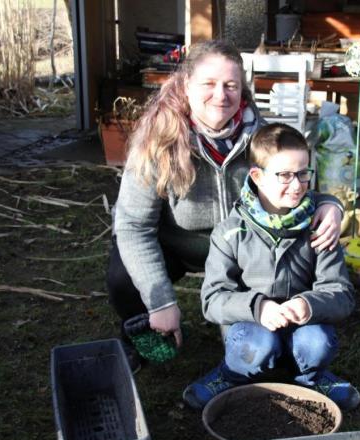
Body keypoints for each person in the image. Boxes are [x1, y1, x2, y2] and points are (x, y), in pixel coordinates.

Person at [107, 40, 344, 372]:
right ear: (186, 85)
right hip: (177, 248)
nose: (221, 95)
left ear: (243, 91)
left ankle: (262, 332)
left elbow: (296, 183)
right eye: (209, 84)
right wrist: (160, 300)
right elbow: (133, 226)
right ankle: (146, 334)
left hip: (244, 253)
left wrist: (330, 204)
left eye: (231, 85)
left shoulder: (263, 138)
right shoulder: (156, 143)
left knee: (250, 355)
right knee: (123, 275)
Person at [182, 123, 360, 411]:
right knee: (255, 345)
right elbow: (212, 300)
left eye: (303, 173)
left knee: (317, 343)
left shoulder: (320, 227)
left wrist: (308, 304)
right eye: (285, 175)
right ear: (257, 176)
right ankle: (232, 374)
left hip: (303, 326)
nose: (298, 184)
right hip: (252, 327)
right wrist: (258, 308)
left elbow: (341, 293)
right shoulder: (230, 232)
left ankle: (311, 376)